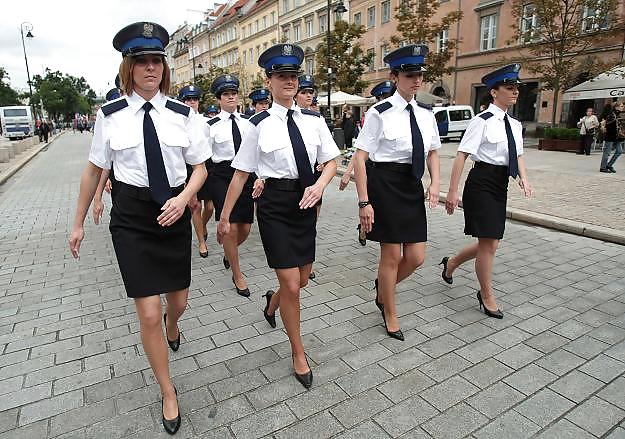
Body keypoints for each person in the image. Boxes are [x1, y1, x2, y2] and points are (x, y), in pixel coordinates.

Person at [68, 22, 210, 435]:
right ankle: (168, 390)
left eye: (156, 61)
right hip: (131, 218)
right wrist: (77, 224)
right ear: (128, 67)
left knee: (177, 303)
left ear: (164, 68)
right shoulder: (109, 116)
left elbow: (200, 168)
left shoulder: (184, 116)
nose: (150, 68)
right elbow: (94, 169)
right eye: (142, 61)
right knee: (148, 312)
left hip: (174, 211)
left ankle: (174, 321)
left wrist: (185, 199)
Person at [217, 43, 339, 388]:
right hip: (274, 206)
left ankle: (272, 304)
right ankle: (298, 353)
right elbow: (240, 173)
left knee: (299, 280)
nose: (289, 81)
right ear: (268, 81)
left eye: (294, 76)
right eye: (282, 76)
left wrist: (320, 186)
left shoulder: (314, 120)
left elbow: (331, 162)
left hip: (306, 203)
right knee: (293, 286)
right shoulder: (257, 123)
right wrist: (225, 218)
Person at [353, 44, 441, 341]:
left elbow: (433, 152)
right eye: (410, 74)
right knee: (391, 256)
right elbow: (360, 158)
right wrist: (364, 201)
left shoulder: (426, 113)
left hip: (411, 185)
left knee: (416, 257)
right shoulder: (379, 113)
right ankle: (389, 311)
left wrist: (435, 182)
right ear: (395, 76)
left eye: (420, 75)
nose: (417, 80)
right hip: (385, 185)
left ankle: (383, 287)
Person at [442, 63, 533, 320]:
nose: (515, 92)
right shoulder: (480, 122)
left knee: (490, 242)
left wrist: (524, 179)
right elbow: (461, 156)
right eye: (509, 87)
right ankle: (486, 294)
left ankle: (452, 263)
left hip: (500, 184)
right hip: (480, 183)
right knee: (490, 243)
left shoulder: (514, 124)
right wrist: (451, 192)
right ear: (494, 92)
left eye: (517, 88)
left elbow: (518, 155)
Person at [207, 74, 255, 297]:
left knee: (244, 227)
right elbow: (204, 158)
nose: (231, 98)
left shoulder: (248, 123)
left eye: (233, 94)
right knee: (230, 227)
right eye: (226, 94)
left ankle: (229, 252)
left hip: (245, 175)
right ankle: (237, 274)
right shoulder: (211, 126)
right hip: (221, 176)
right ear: (219, 99)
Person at [179, 84, 215, 257]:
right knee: (194, 205)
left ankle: (203, 225)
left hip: (205, 164)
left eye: (194, 99)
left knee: (209, 206)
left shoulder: (206, 121)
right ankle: (201, 242)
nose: (191, 102)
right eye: (188, 99)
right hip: (187, 166)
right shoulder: (178, 121)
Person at [599, 100, 624, 173]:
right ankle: (603, 167)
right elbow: (608, 127)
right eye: (621, 106)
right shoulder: (611, 115)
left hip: (617, 138)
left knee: (619, 151)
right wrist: (617, 131)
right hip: (610, 137)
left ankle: (609, 165)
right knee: (607, 152)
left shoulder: (618, 114)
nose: (623, 107)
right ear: (616, 107)